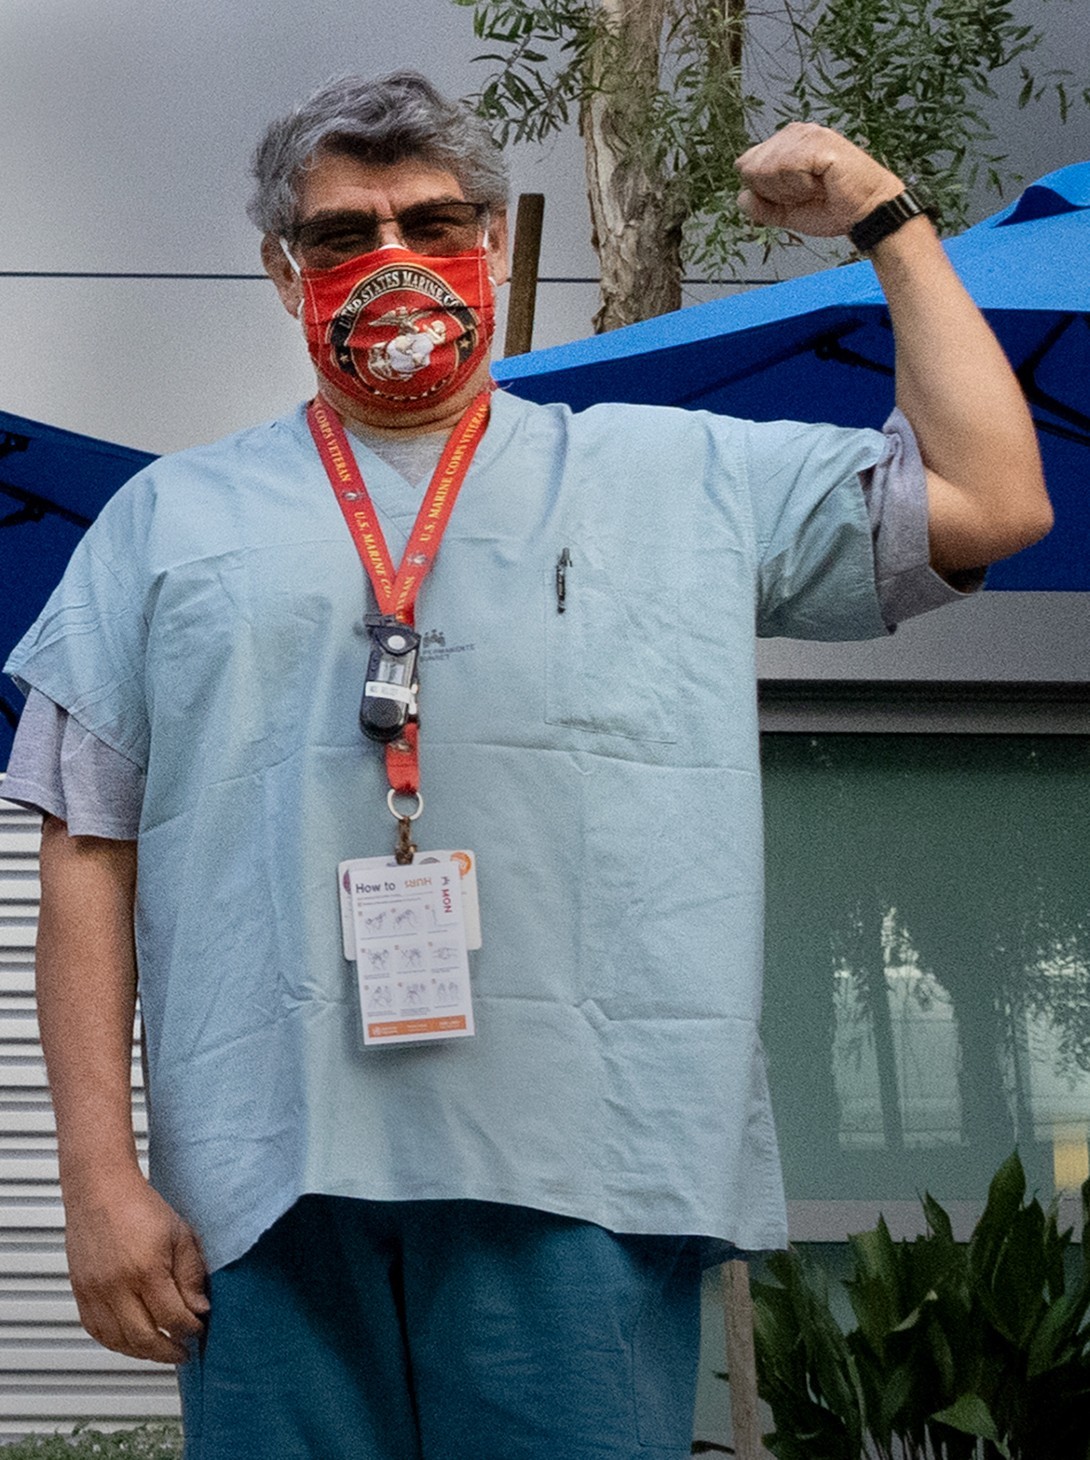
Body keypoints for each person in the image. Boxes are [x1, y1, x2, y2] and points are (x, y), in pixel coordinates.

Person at [3, 70, 1050, 1460]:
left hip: (585, 1174)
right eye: (341, 235)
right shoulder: (162, 521)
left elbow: (991, 500)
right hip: (262, 1188)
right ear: (279, 269)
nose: (394, 262)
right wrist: (95, 1182)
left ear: (492, 245)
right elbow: (86, 847)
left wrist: (887, 223)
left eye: (435, 225)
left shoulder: (677, 475)